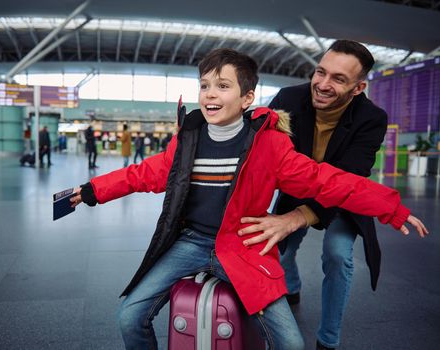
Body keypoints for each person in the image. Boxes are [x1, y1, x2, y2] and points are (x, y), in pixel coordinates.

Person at [68, 48, 427, 350]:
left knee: (291, 343)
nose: (210, 94)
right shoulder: (187, 140)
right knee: (130, 316)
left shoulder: (269, 145)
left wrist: (391, 208)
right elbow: (143, 173)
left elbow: (328, 180)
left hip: (243, 245)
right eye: (205, 85)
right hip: (190, 242)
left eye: (223, 86)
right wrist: (91, 191)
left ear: (247, 98)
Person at [237, 40, 395, 349]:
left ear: (358, 87)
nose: (322, 85)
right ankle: (292, 285)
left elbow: (349, 179)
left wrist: (295, 219)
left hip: (344, 198)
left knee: (338, 256)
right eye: (320, 72)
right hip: (297, 191)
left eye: (338, 79)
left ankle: (328, 341)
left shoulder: (371, 119)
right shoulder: (289, 99)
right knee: (280, 249)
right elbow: (261, 150)